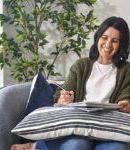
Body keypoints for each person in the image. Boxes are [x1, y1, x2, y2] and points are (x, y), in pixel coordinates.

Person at [11, 16, 130, 150]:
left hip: (108, 128)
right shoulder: (81, 65)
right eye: (104, 37)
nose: (108, 45)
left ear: (122, 44)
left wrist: (125, 105)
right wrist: (64, 98)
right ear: (98, 38)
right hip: (79, 126)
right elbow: (61, 95)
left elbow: (126, 96)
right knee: (77, 145)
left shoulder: (127, 70)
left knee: (116, 148)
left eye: (115, 41)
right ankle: (36, 145)